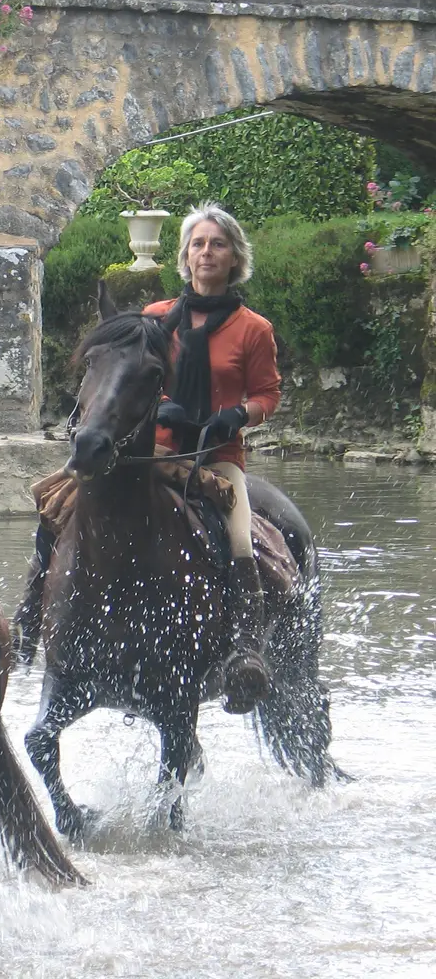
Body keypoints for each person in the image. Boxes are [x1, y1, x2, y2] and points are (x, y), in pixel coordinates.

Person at [143, 202, 281, 714]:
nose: (206, 252)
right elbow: (130, 383)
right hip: (154, 453)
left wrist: (240, 414)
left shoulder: (254, 329)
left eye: (217, 244)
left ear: (233, 257)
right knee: (68, 503)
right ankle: (34, 612)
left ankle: (246, 651)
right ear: (185, 255)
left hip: (216, 456)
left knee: (239, 536)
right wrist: (162, 406)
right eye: (198, 244)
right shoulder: (155, 320)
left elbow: (268, 394)